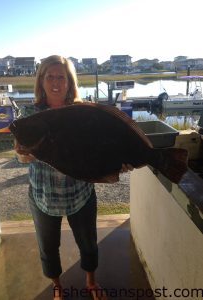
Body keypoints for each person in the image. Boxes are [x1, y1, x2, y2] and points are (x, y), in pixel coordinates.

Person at [15, 55, 132, 300]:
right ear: (41, 81)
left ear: (70, 82)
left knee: (88, 243)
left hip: (80, 193)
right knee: (48, 248)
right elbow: (23, 156)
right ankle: (58, 287)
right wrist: (24, 155)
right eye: (50, 76)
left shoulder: (83, 111)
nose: (55, 82)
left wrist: (118, 161)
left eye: (61, 77)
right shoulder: (30, 115)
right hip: (43, 195)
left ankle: (91, 282)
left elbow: (102, 145)